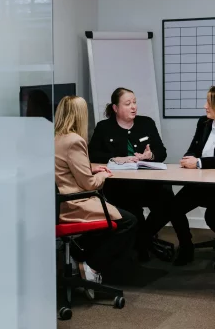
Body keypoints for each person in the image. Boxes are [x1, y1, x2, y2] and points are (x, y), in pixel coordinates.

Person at [153, 85, 215, 266]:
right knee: (174, 207)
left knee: (213, 216)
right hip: (202, 183)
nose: (205, 106)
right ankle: (186, 247)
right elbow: (194, 149)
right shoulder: (203, 123)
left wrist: (200, 163)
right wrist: (189, 158)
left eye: (209, 103)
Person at [88, 87, 182, 261]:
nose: (133, 107)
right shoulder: (104, 127)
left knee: (168, 201)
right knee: (133, 213)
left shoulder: (146, 123)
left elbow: (161, 152)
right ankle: (142, 243)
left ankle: (145, 240)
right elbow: (92, 155)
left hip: (148, 184)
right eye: (127, 103)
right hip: (120, 187)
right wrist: (116, 158)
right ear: (115, 108)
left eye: (135, 102)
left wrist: (150, 156)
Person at [55, 95, 137, 293]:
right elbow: (89, 184)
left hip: (59, 204)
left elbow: (68, 171)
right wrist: (104, 175)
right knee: (129, 221)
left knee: (114, 219)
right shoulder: (74, 141)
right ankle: (91, 266)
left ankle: (78, 256)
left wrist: (93, 170)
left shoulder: (56, 139)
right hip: (75, 204)